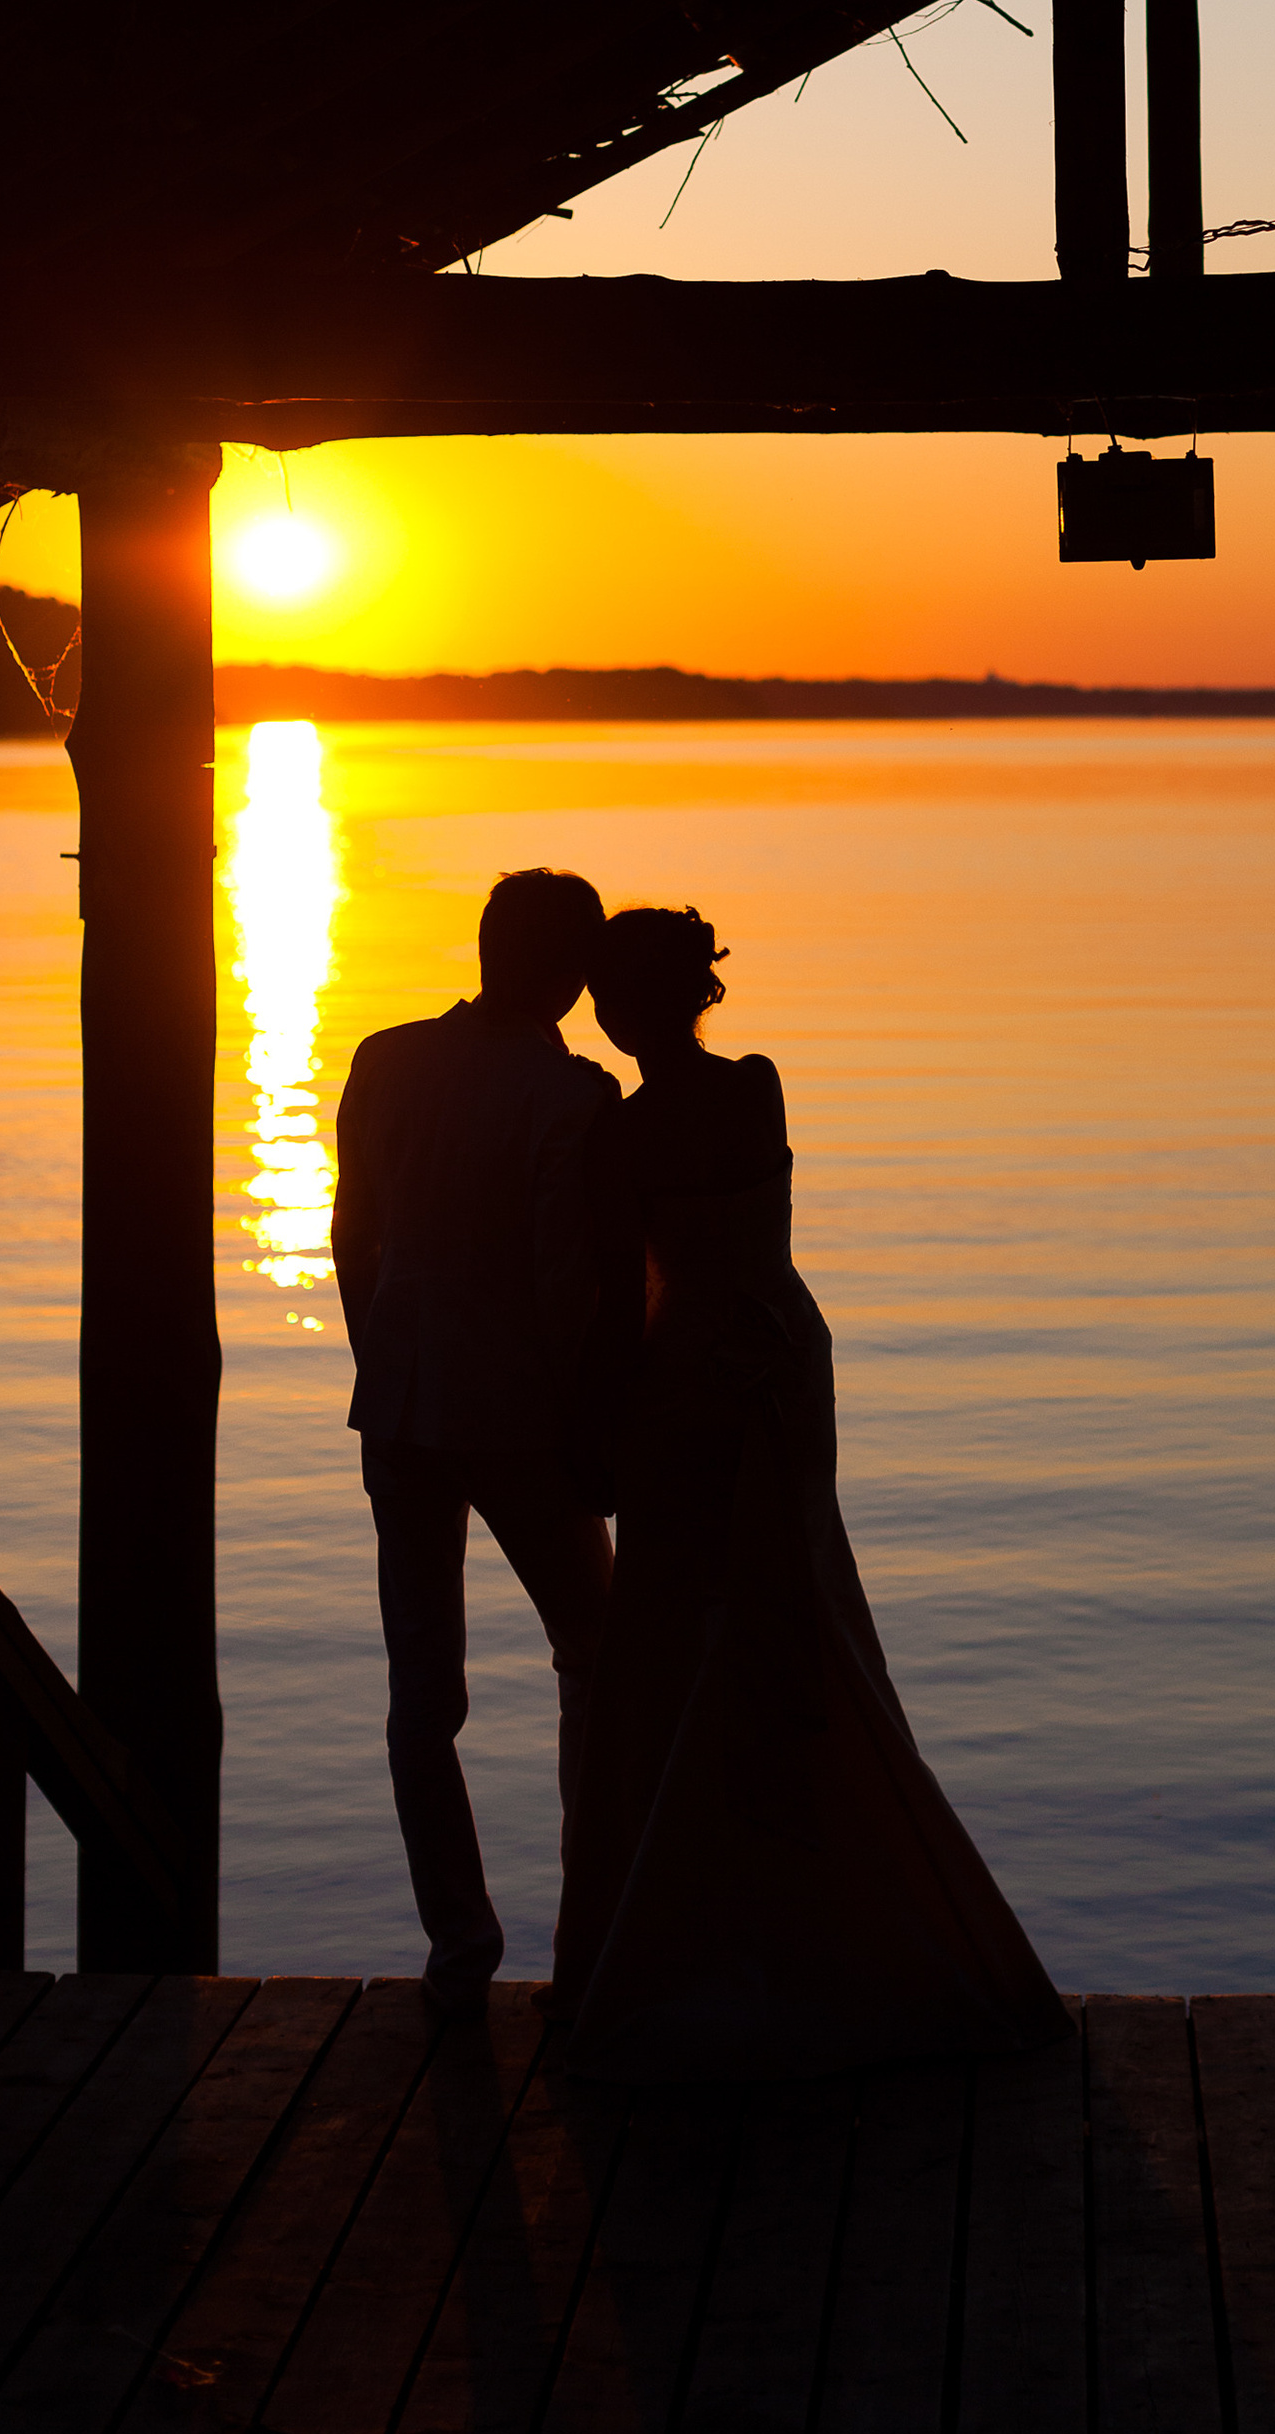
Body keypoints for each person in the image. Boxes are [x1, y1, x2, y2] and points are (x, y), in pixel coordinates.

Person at [550, 904, 1067, 2078]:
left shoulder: (614, 1140)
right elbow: (752, 1238)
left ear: (618, 1007)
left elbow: (613, 1315)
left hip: (690, 1385)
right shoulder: (757, 1088)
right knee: (799, 1618)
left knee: (671, 1650)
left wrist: (592, 1438)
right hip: (782, 1363)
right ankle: (817, 1903)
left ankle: (668, 1938)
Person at [331, 867, 623, 2013]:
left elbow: (353, 1230)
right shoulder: (571, 1100)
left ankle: (459, 1948)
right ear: (570, 974)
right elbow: (566, 1287)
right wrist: (593, 1429)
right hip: (517, 1419)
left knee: (420, 1690)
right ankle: (588, 1932)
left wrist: (379, 1355)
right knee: (598, 1654)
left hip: (398, 1407)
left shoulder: (386, 1058)